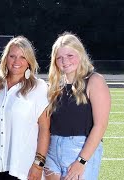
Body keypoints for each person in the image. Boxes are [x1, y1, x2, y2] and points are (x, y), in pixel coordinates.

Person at [44, 32, 111, 180]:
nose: (64, 61)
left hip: (79, 150)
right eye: (59, 57)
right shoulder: (54, 86)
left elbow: (100, 125)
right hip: (52, 151)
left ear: (80, 54)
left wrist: (81, 161)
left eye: (70, 55)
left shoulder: (95, 81)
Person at [0, 36, 50, 180]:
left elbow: (45, 129)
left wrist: (38, 165)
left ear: (29, 62)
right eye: (12, 56)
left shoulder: (39, 88)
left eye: (22, 57)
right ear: (6, 59)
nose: (16, 61)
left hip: (22, 169)